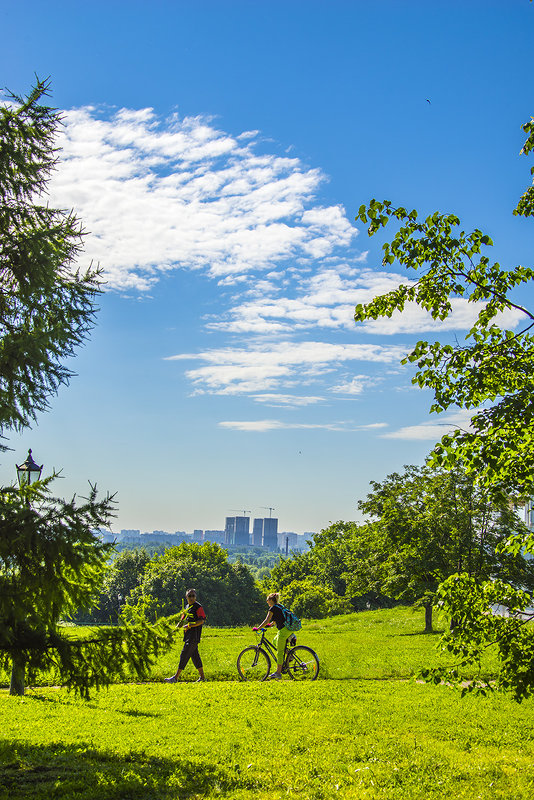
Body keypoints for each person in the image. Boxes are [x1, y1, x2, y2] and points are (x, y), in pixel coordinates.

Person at [165, 588, 206, 683]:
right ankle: (203, 678)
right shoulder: (187, 608)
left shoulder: (198, 607)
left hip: (194, 637)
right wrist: (172, 632)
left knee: (184, 655)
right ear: (186, 597)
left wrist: (190, 625)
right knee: (195, 656)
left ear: (195, 597)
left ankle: (175, 678)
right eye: (189, 596)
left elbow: (201, 621)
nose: (191, 598)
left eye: (193, 596)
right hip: (188, 636)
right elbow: (181, 621)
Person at [253, 591, 292, 680]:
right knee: (275, 641)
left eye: (267, 600)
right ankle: (290, 655)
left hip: (284, 630)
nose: (267, 602)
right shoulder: (279, 606)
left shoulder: (273, 608)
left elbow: (266, 620)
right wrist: (270, 625)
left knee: (279, 652)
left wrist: (258, 628)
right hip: (286, 629)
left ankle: (278, 673)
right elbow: (275, 621)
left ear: (271, 600)